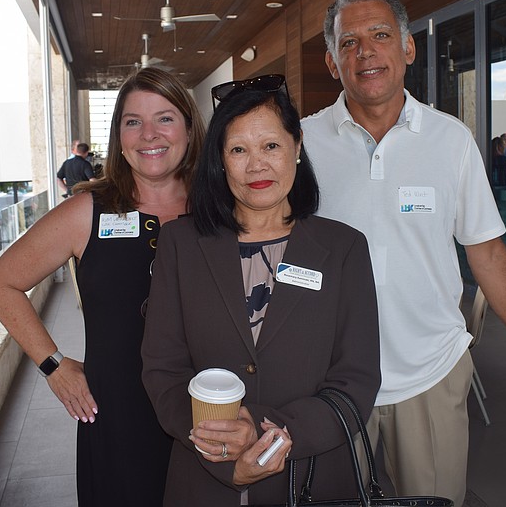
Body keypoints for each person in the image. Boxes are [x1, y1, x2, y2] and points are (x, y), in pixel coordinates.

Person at [301, 0, 506, 507]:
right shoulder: (300, 144)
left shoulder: (451, 142)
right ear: (332, 63)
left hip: (429, 370)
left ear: (407, 47)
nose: (366, 52)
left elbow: (487, 253)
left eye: (380, 35)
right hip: (323, 378)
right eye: (348, 42)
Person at [141, 76, 381, 506]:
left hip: (312, 477)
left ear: (297, 145)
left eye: (270, 145)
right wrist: (220, 451)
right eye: (238, 150)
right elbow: (163, 370)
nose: (257, 165)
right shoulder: (181, 244)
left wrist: (265, 429)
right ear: (220, 159)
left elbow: (356, 382)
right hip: (204, 478)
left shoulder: (343, 249)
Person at [0, 68, 206, 506]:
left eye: (164, 118)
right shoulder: (89, 210)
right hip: (119, 417)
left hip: (208, 409)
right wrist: (54, 366)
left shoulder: (217, 207)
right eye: (132, 121)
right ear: (118, 136)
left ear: (187, 127)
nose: (149, 135)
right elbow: (1, 283)